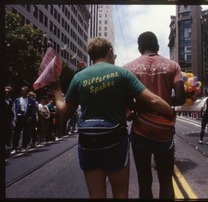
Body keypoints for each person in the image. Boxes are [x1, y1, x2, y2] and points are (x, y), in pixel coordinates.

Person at [49, 36, 175, 199]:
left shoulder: (79, 77)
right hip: (115, 142)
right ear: (109, 52)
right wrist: (170, 112)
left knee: (96, 195)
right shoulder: (121, 73)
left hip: (88, 144)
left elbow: (64, 111)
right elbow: (153, 100)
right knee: (120, 193)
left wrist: (56, 89)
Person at [124, 31, 185, 199]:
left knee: (144, 181)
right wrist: (162, 103)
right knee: (166, 180)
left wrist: (141, 109)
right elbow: (180, 98)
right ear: (157, 46)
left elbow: (126, 101)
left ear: (139, 48)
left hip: (140, 131)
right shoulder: (173, 66)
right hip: (164, 130)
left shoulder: (128, 68)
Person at [11, 86, 37, 154]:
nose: (23, 92)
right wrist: (14, 118)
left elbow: (34, 110)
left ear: (27, 92)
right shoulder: (17, 100)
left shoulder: (32, 100)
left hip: (26, 118)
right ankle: (14, 147)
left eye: (25, 91)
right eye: (22, 90)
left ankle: (24, 146)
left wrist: (31, 117)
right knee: (16, 133)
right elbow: (13, 109)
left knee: (26, 133)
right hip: (18, 118)